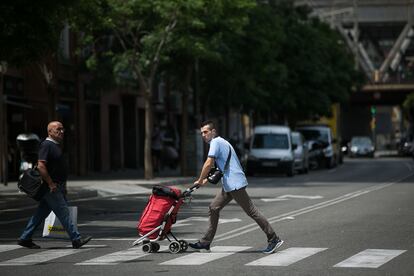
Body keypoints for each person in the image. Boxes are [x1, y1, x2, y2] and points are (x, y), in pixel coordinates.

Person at [189, 120, 284, 254]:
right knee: (214, 208)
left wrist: (199, 180)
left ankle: (274, 238)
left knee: (252, 211)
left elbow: (209, 162)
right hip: (229, 183)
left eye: (206, 132)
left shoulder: (215, 142)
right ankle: (205, 242)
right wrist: (204, 179)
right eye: (202, 133)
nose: (203, 135)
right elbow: (219, 166)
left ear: (213, 132)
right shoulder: (221, 142)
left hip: (234, 183)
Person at [17, 121, 92, 249]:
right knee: (63, 212)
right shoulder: (47, 145)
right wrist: (51, 184)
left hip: (56, 186)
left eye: (62, 129)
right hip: (51, 187)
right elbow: (41, 165)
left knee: (40, 213)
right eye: (58, 129)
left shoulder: (55, 145)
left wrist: (63, 186)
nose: (61, 131)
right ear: (50, 132)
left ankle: (25, 237)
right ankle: (76, 239)